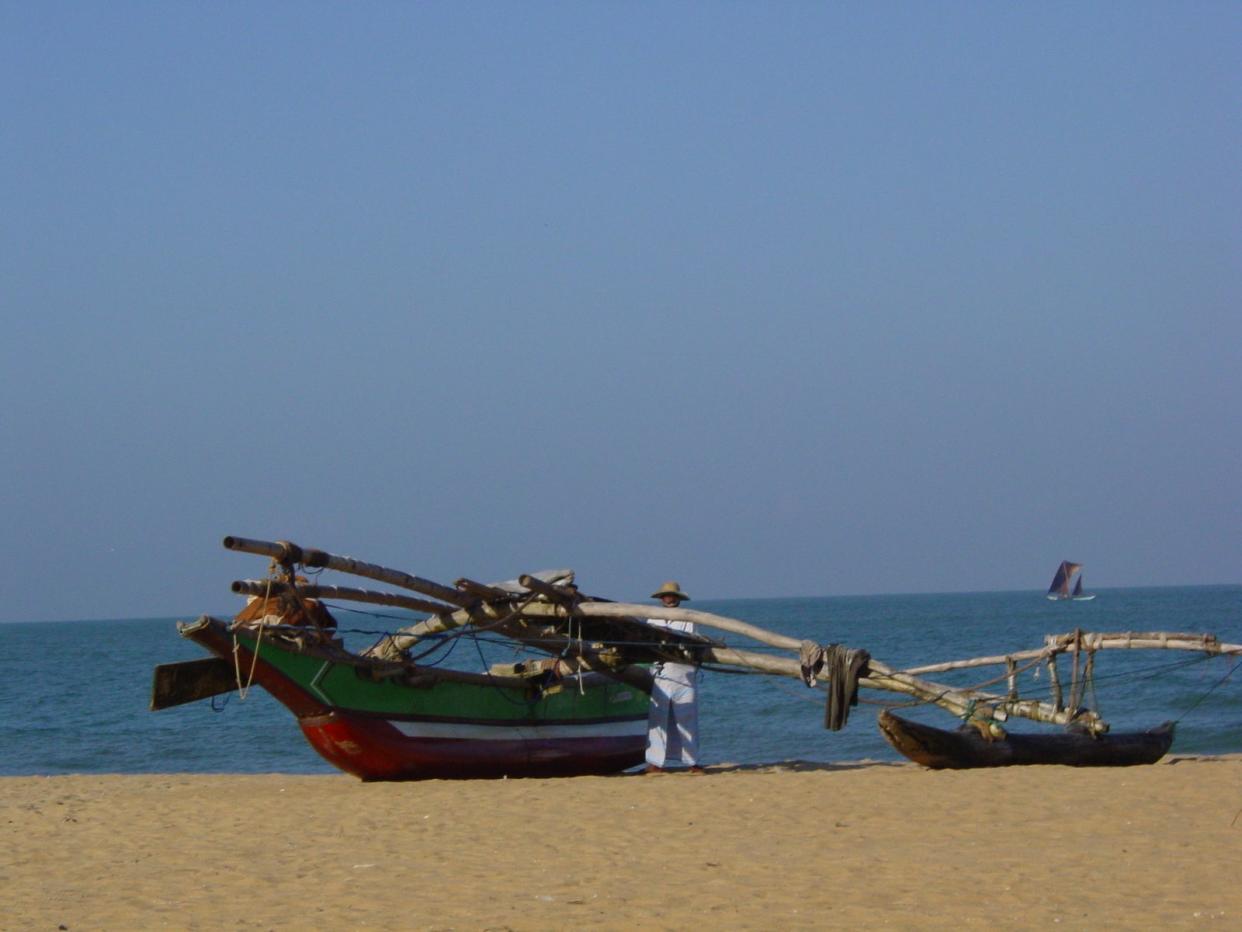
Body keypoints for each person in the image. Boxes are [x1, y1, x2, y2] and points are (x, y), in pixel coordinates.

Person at [644, 581, 704, 774]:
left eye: (672, 596)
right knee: (658, 719)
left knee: (687, 719)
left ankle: (692, 762)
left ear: (678, 598)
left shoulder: (688, 618)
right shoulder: (653, 620)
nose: (669, 599)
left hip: (684, 674)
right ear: (661, 598)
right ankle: (655, 763)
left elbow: (689, 640)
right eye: (666, 596)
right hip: (661, 675)